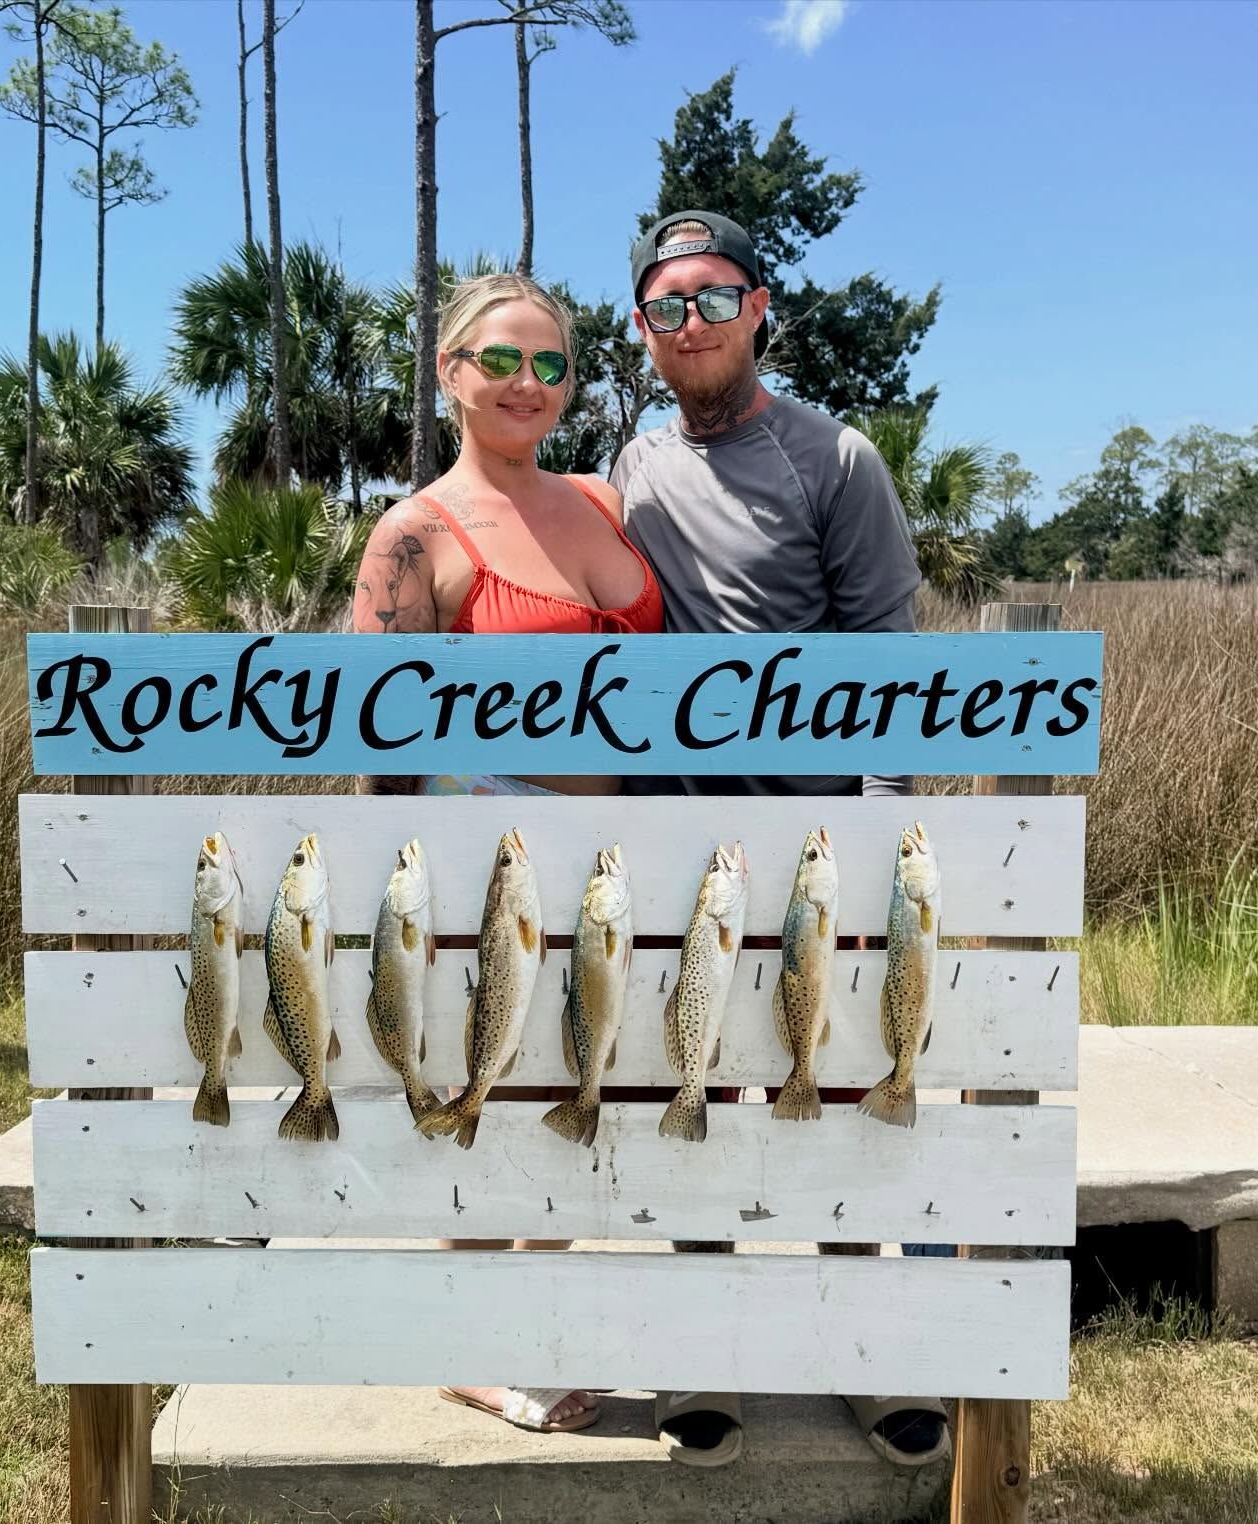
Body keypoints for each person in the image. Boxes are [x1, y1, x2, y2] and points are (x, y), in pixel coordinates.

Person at [609, 209, 952, 1470]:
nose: (689, 323)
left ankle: (878, 1353)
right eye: (665, 306)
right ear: (644, 334)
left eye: (712, 296)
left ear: (761, 309)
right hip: (681, 841)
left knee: (851, 1086)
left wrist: (870, 842)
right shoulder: (632, 467)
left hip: (822, 841)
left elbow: (887, 656)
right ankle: (707, 1353)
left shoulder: (837, 459)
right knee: (697, 1081)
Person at [351, 272, 663, 1434]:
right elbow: (369, 735)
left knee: (587, 1087)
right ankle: (476, 1341)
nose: (526, 384)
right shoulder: (414, 532)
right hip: (485, 862)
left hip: (618, 860)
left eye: (550, 364)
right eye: (500, 361)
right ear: (450, 372)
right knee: (490, 1084)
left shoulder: (601, 498)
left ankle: (525, 1318)